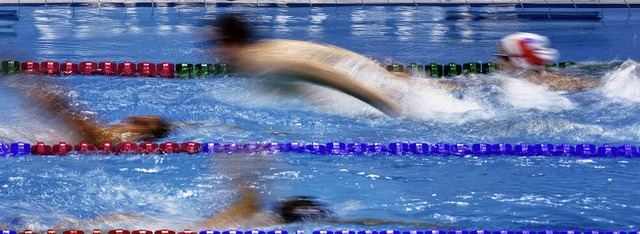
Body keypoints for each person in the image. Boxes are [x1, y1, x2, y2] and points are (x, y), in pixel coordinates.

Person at [211, 13, 403, 117]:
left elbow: (326, 74)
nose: (213, 52)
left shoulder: (261, 61)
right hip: (374, 79)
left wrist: (385, 104)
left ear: (230, 41)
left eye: (216, 44)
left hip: (375, 92)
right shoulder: (259, 52)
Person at [2, 77, 170, 146]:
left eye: (141, 122)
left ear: (145, 132)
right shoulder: (119, 134)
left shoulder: (121, 136)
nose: (132, 118)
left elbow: (94, 136)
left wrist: (60, 108)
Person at [494, 32, 599, 93]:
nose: (499, 62)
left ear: (519, 61)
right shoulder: (557, 75)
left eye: (504, 57)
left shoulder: (524, 83)